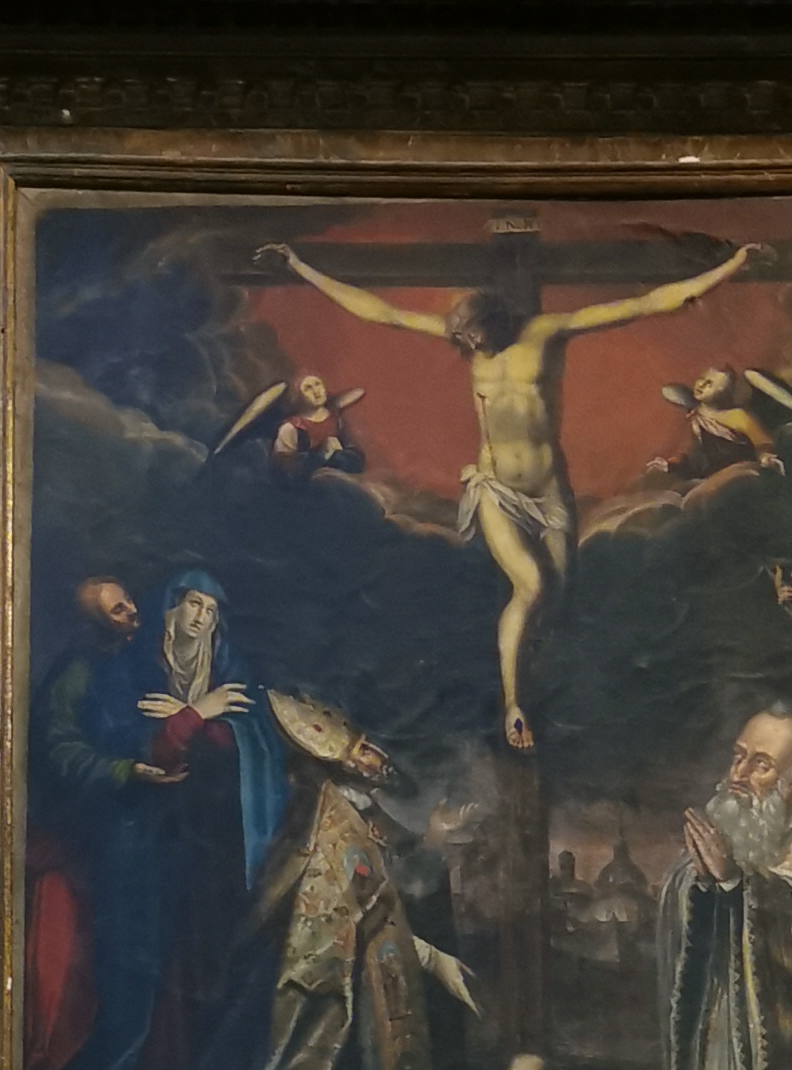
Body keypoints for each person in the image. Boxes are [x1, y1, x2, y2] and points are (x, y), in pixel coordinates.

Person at [259, 237, 759, 751]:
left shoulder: (547, 333)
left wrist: (732, 265)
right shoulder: (468, 340)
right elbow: (379, 312)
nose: (466, 346)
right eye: (461, 339)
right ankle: (513, 706)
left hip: (548, 492)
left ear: (494, 322)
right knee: (531, 587)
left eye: (472, 336)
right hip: (495, 488)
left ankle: (549, 700)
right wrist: (300, 266)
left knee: (558, 597)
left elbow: (647, 303)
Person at [24, 567, 286, 1070]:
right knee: (131, 983)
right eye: (191, 604)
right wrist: (186, 723)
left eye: (210, 609)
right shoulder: (121, 669)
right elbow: (130, 745)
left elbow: (245, 742)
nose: (199, 617)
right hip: (131, 842)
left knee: (191, 977)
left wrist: (198, 716)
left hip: (201, 847)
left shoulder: (216, 666)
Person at [230, 691, 483, 1070]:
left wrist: (434, 839)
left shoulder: (363, 813)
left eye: (373, 747)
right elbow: (347, 913)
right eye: (365, 751)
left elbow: (387, 891)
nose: (379, 759)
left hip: (364, 969)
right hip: (322, 983)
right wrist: (430, 958)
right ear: (341, 762)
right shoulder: (329, 822)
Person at [658, 704, 792, 1070]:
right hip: (718, 1022)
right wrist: (701, 883)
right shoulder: (725, 823)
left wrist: (735, 881)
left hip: (779, 1044)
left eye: (761, 764)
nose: (738, 774)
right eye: (738, 756)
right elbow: (685, 891)